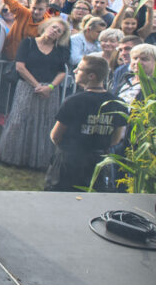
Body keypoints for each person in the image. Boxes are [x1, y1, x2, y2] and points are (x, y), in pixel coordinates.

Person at [45, 54, 129, 192]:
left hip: (70, 162)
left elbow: (55, 136)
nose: (75, 71)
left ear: (91, 76)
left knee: (60, 198)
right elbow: (116, 139)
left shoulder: (73, 101)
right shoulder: (118, 103)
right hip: (99, 162)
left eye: (79, 69)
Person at [0, 18, 70, 170]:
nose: (55, 31)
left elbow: (62, 72)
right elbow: (20, 67)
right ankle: (11, 156)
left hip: (49, 91)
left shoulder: (60, 50)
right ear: (46, 26)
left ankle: (39, 161)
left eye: (59, 31)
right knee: (19, 120)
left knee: (44, 123)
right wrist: (37, 86)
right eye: (54, 27)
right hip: (27, 87)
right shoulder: (28, 43)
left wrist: (50, 87)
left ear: (61, 36)